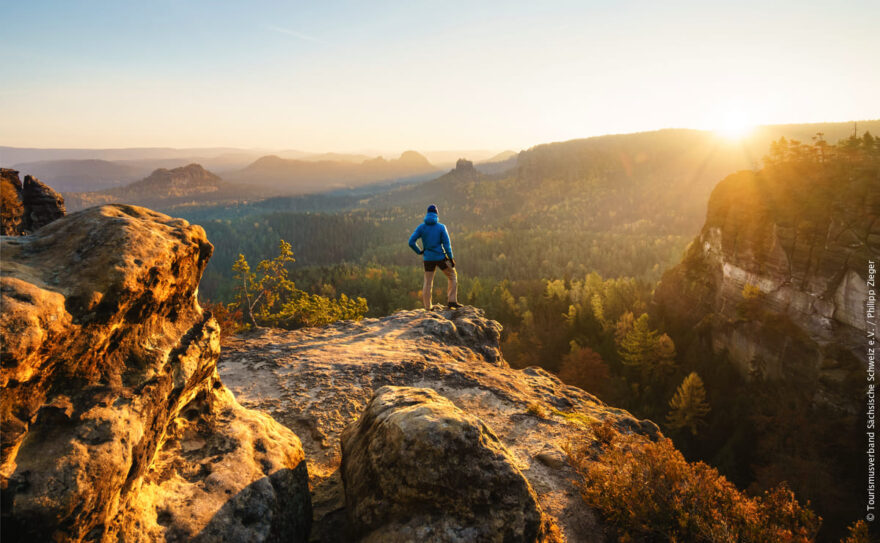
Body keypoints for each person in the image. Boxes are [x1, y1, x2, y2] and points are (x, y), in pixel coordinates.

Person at [408, 204, 461, 310]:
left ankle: (428, 307)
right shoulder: (441, 227)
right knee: (452, 276)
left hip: (428, 259)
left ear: (427, 214)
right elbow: (447, 245)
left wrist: (419, 251)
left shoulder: (421, 227)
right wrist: (450, 258)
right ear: (437, 214)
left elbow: (411, 242)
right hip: (441, 258)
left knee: (428, 282)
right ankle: (451, 301)